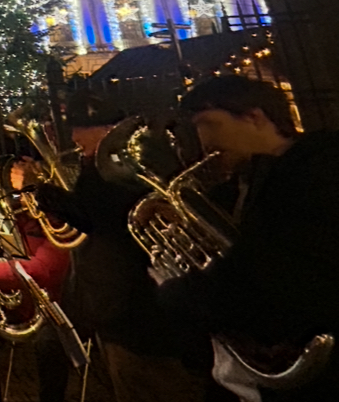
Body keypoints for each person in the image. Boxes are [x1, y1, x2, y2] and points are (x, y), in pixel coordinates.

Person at [162, 75, 339, 402]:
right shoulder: (245, 183)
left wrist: (188, 293)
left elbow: (279, 275)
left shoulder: (316, 173)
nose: (204, 141)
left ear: (254, 117)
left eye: (210, 124)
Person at [31, 90, 205, 402]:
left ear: (108, 130)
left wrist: (53, 197)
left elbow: (106, 219)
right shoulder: (96, 169)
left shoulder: (125, 168)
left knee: (145, 384)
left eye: (82, 129)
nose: (74, 137)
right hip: (109, 303)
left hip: (135, 307)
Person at [0, 159, 72, 402]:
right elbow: (6, 250)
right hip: (21, 301)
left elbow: (44, 270)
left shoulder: (61, 224)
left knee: (48, 342)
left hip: (54, 307)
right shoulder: (20, 218)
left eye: (24, 192)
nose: (17, 198)